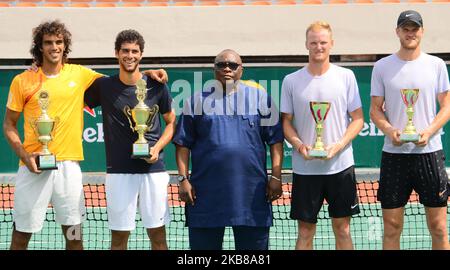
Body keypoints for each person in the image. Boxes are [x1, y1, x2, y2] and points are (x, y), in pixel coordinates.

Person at [3, 20, 167, 250]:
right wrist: (25, 154)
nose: (54, 47)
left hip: (69, 169)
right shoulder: (22, 81)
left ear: (65, 45)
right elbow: (9, 124)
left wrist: (147, 73)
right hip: (33, 167)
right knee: (21, 235)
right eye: (48, 43)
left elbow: (125, 79)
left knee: (74, 235)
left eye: (59, 42)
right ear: (40, 47)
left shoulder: (79, 74)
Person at [172, 49, 284, 250]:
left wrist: (276, 177)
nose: (227, 69)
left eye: (232, 65)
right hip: (205, 194)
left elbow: (275, 141)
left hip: (251, 194)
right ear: (214, 69)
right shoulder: (196, 101)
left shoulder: (261, 98)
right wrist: (183, 179)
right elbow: (183, 144)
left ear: (241, 69)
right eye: (221, 65)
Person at [84, 29, 175, 250]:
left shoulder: (157, 85)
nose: (130, 55)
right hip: (119, 172)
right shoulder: (103, 86)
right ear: (116, 53)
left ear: (141, 55)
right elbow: (71, 97)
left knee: (158, 237)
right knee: (119, 239)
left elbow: (171, 122)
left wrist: (157, 148)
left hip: (153, 172)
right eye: (125, 51)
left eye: (135, 51)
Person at [370, 10, 450, 250]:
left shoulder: (435, 65)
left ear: (422, 32)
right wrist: (389, 130)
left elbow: (446, 106)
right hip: (395, 156)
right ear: (397, 32)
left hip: (430, 154)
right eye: (405, 28)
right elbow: (375, 109)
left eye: (414, 28)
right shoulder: (382, 66)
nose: (410, 33)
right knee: (392, 227)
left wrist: (429, 132)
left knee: (438, 227)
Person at [281, 21, 364, 250]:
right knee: (306, 231)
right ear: (306, 44)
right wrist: (299, 145)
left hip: (341, 166)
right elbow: (285, 123)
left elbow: (358, 119)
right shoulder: (291, 80)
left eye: (323, 42)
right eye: (314, 42)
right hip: (305, 169)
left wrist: (338, 146)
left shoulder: (346, 76)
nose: (319, 47)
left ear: (332, 44)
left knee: (343, 229)